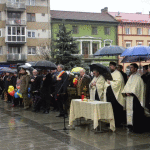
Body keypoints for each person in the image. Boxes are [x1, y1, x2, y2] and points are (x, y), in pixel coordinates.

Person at [122, 63, 150, 133]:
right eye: (130, 67)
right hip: (129, 98)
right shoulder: (131, 77)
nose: (130, 69)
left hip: (135, 99)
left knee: (136, 114)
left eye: (131, 67)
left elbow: (138, 89)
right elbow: (127, 86)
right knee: (130, 113)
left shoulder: (138, 77)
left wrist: (131, 93)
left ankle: (137, 128)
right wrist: (126, 92)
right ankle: (131, 126)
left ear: (135, 69)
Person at [104, 62, 125, 127]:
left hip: (116, 95)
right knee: (110, 108)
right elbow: (106, 83)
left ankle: (117, 122)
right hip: (110, 94)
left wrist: (110, 82)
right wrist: (107, 83)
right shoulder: (110, 74)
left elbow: (119, 82)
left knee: (116, 109)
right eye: (109, 65)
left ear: (114, 66)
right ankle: (110, 121)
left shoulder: (118, 73)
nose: (110, 67)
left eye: (111, 66)